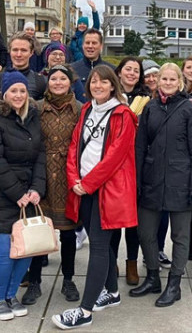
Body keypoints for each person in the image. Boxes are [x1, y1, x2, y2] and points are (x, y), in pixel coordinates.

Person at [52, 65, 138, 329]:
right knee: (102, 243)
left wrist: (87, 184)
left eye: (103, 82)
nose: (97, 86)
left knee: (99, 247)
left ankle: (85, 310)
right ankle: (111, 292)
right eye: (93, 82)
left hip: (106, 191)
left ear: (113, 85)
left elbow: (115, 156)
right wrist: (74, 180)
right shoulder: (88, 109)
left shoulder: (123, 115)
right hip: (84, 188)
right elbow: (75, 145)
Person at [0, 72, 46, 321]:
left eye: (23, 91)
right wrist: (17, 194)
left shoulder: (32, 117)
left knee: (25, 251)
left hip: (26, 196)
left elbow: (40, 156)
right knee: (4, 251)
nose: (18, 95)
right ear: (4, 93)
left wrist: (36, 188)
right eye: (13, 91)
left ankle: (12, 295)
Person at [130, 63, 192, 307]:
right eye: (164, 79)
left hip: (180, 180)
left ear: (180, 82)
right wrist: (137, 181)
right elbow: (140, 147)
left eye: (173, 79)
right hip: (152, 179)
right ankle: (152, 276)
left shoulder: (189, 110)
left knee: (180, 236)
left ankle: (174, 283)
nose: (168, 83)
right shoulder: (150, 108)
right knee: (146, 232)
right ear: (157, 81)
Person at [26, 65, 83, 306]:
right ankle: (35, 281)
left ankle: (68, 279)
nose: (58, 82)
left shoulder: (81, 109)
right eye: (53, 79)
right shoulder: (37, 107)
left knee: (68, 233)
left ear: (70, 82)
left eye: (63, 79)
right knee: (39, 230)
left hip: (69, 176)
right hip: (42, 174)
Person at [111, 57, 151, 285]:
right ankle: (112, 260)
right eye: (128, 69)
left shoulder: (146, 99)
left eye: (136, 71)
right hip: (115, 163)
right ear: (119, 72)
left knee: (134, 220)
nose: (132, 73)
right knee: (115, 218)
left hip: (137, 162)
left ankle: (132, 262)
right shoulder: (110, 96)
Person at [0, 32, 47, 100]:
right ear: (9, 52)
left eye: (23, 50)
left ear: (31, 53)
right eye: (15, 50)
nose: (19, 54)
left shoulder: (41, 82)